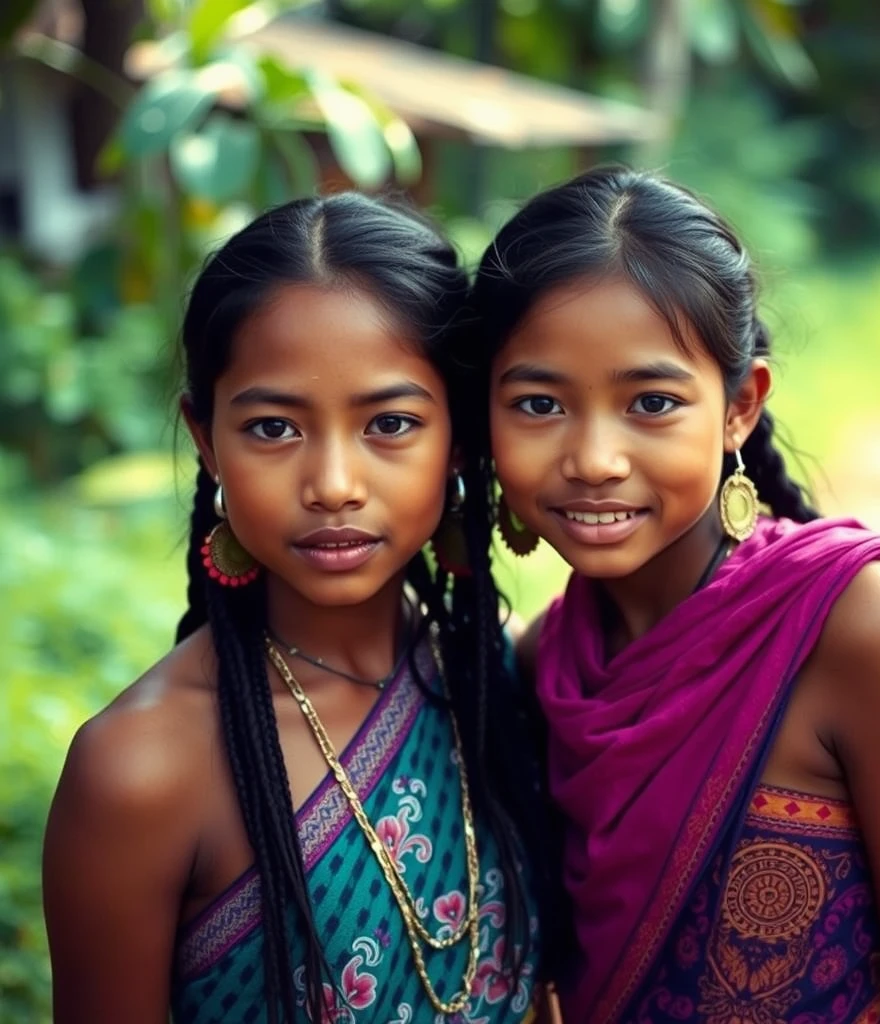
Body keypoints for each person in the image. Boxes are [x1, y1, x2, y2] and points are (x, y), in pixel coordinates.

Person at [469, 167, 880, 1024]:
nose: (595, 458)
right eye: (538, 403)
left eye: (651, 402)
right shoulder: (543, 667)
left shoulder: (863, 630)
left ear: (738, 408)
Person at [43, 193, 550, 1024]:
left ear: (459, 437)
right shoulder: (139, 772)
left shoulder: (503, 678)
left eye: (389, 422)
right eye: (275, 428)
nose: (333, 485)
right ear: (205, 440)